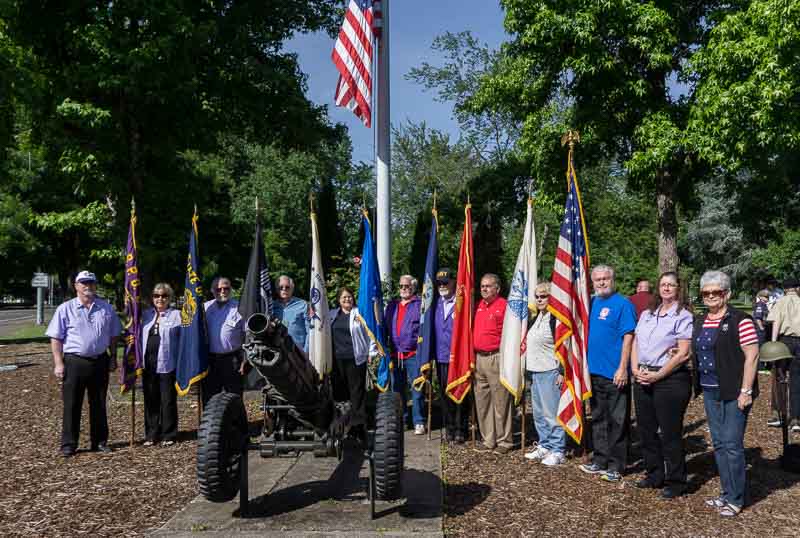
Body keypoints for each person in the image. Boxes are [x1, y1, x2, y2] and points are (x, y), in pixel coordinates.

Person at [693, 270, 759, 517]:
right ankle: (725, 493)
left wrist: (746, 391)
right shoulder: (700, 320)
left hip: (735, 391)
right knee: (719, 444)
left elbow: (752, 356)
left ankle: (736, 498)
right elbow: (699, 350)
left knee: (732, 444)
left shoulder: (740, 320)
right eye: (706, 293)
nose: (710, 296)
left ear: (727, 293)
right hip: (710, 390)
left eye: (716, 292)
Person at [630, 272, 694, 498]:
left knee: (670, 433)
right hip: (642, 375)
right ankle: (654, 474)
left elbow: (683, 353)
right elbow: (636, 341)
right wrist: (635, 369)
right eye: (663, 284)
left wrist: (658, 376)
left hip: (670, 379)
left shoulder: (683, 316)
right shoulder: (647, 314)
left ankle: (676, 481)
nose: (666, 288)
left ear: (678, 289)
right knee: (646, 431)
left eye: (671, 285)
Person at [46, 270, 122, 457]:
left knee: (99, 404)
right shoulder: (65, 309)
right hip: (74, 362)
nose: (88, 286)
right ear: (76, 286)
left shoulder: (106, 308)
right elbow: (56, 337)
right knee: (72, 404)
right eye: (83, 283)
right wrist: (58, 363)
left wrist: (113, 357)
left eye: (91, 283)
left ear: (95, 285)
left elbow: (114, 335)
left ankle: (100, 441)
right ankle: (69, 444)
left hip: (99, 361)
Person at [579, 265, 637, 482]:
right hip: (592, 372)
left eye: (605, 278)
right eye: (598, 279)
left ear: (613, 280)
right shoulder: (591, 303)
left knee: (618, 420)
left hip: (614, 373)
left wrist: (623, 367)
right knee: (599, 418)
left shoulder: (623, 304)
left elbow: (629, 336)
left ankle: (617, 465)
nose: (602, 282)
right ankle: (600, 460)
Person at [523, 282, 566, 466]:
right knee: (539, 414)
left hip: (550, 371)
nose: (540, 299)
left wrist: (562, 371)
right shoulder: (536, 317)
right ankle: (545, 445)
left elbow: (564, 347)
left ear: (552, 297)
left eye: (544, 296)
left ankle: (558, 450)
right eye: (537, 296)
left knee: (552, 414)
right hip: (535, 372)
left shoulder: (555, 319)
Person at [328, 287, 375, 443]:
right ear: (338, 300)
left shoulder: (359, 314)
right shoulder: (332, 315)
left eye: (349, 297)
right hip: (336, 360)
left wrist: (370, 352)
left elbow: (370, 333)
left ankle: (359, 427)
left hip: (355, 359)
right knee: (340, 394)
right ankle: (341, 426)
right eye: (344, 297)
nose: (347, 299)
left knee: (356, 394)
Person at [473, 273, 513, 453]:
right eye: (482, 286)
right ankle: (488, 439)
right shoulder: (478, 306)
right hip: (479, 359)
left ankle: (504, 441)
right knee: (483, 402)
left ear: (497, 288)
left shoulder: (504, 306)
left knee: (501, 401)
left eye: (488, 286)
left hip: (496, 357)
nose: (484, 289)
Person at [141, 283, 182, 447]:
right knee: (150, 399)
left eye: (164, 295)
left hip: (168, 362)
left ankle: (169, 433)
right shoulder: (145, 315)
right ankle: (151, 434)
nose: (160, 299)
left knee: (168, 400)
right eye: (156, 295)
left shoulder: (178, 315)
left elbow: (185, 340)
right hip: (148, 364)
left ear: (170, 298)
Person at [385, 275, 425, 434]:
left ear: (413, 288)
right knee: (397, 390)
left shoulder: (419, 305)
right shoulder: (392, 305)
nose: (403, 289)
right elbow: (385, 326)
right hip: (396, 354)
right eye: (401, 286)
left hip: (413, 354)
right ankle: (401, 420)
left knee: (417, 389)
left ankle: (419, 421)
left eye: (407, 286)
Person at [433, 268, 468, 443]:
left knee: (460, 392)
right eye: (439, 283)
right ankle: (450, 428)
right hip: (441, 356)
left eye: (445, 282)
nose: (442, 286)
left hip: (458, 357)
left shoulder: (462, 303)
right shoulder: (434, 303)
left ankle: (461, 429)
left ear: (454, 282)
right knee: (445, 395)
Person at [203, 276, 244, 405]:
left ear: (230, 289)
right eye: (218, 289)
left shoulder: (240, 308)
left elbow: (248, 334)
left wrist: (246, 359)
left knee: (234, 396)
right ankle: (209, 424)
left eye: (226, 288)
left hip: (232, 359)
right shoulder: (204, 308)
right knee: (209, 397)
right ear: (212, 290)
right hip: (210, 360)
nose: (222, 291)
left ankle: (237, 425)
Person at [767, 278, 800, 432]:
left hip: (783, 341)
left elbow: (776, 323)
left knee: (778, 377)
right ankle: (795, 419)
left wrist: (773, 343)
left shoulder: (780, 302)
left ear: (785, 289)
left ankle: (778, 415)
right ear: (796, 288)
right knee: (797, 379)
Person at [273, 275, 310, 352]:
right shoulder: (271, 307)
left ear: (292, 288)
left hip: (298, 351)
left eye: (287, 287)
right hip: (277, 352)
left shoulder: (303, 304)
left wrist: (305, 351)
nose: (284, 289)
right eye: (281, 287)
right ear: (276, 290)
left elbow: (310, 331)